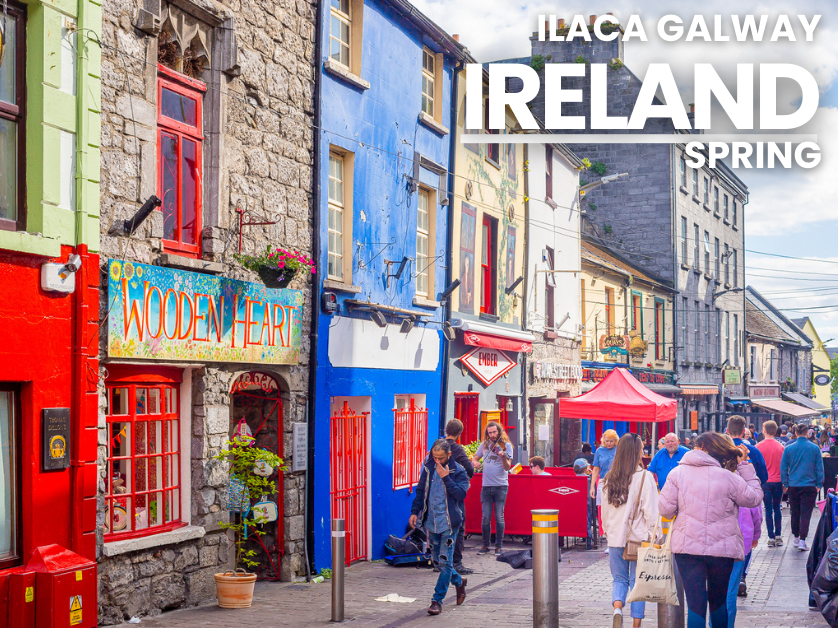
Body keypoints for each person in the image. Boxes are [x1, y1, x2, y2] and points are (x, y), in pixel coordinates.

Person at [659, 432, 763, 628]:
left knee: (695, 604)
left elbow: (665, 509)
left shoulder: (677, 474)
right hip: (722, 549)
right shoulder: (728, 477)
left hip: (687, 548)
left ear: (700, 448)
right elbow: (754, 498)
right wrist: (745, 465)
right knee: (719, 601)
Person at [601, 433, 659, 628]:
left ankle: (617, 609)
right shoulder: (645, 477)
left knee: (619, 578)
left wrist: (607, 532)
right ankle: (636, 624)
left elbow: (605, 510)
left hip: (615, 538)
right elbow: (650, 511)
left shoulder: (609, 478)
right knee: (637, 582)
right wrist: (656, 536)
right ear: (637, 452)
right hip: (638, 540)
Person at [409, 439, 470, 615]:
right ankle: (459, 582)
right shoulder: (428, 469)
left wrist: (446, 477)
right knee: (437, 562)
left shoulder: (458, 471)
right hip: (431, 522)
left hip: (450, 524)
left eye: (440, 458)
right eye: (434, 457)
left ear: (449, 455)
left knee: (445, 562)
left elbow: (460, 494)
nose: (437, 461)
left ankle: (437, 601)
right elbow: (420, 491)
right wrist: (415, 511)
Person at [781, 423, 825, 552]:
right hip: (809, 485)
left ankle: (795, 537)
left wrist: (786, 483)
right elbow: (819, 468)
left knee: (795, 511)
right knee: (806, 513)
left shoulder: (788, 448)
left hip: (794, 485)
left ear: (795, 433)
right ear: (807, 433)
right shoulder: (814, 448)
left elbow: (783, 468)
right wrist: (819, 484)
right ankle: (802, 540)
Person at [472, 421, 513, 556]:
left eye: (494, 432)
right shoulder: (485, 445)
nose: (492, 435)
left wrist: (502, 458)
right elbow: (475, 458)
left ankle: (498, 546)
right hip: (486, 486)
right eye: (490, 433)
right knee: (485, 517)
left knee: (499, 517)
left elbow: (507, 468)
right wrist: (476, 462)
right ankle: (485, 545)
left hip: (501, 485)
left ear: (499, 432)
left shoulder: (506, 446)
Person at [444, 419, 474, 576]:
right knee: (458, 525)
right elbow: (469, 468)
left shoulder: (436, 446)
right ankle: (456, 562)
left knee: (441, 527)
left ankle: (440, 560)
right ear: (459, 434)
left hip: (438, 492)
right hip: (454, 492)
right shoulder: (457, 449)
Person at [726, 504, 762, 624]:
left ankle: (714, 623)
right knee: (731, 590)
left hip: (716, 542)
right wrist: (756, 536)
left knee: (716, 591)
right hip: (741, 541)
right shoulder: (747, 487)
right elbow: (757, 515)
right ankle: (728, 625)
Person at [756, 420, 785, 547]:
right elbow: (784, 467)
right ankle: (778, 535)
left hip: (765, 482)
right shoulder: (781, 447)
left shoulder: (758, 447)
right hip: (778, 481)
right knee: (777, 507)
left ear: (764, 430)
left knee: (768, 509)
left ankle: (770, 537)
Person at [727, 415, 769, 484]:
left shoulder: (721, 450)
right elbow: (763, 476)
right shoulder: (754, 451)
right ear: (743, 431)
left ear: (727, 431)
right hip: (748, 489)